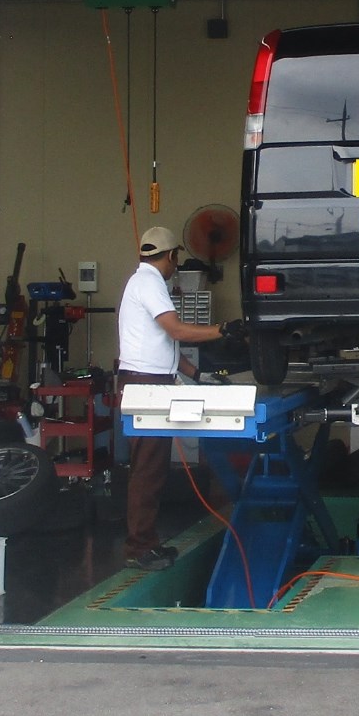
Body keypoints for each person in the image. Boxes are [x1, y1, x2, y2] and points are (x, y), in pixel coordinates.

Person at [115, 225, 240, 572]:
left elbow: (166, 344)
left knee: (152, 468)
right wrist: (222, 330)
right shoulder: (149, 283)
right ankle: (139, 547)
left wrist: (198, 375)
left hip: (151, 381)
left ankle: (146, 543)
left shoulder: (144, 282)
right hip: (145, 384)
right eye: (176, 260)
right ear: (172, 256)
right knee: (147, 470)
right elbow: (177, 330)